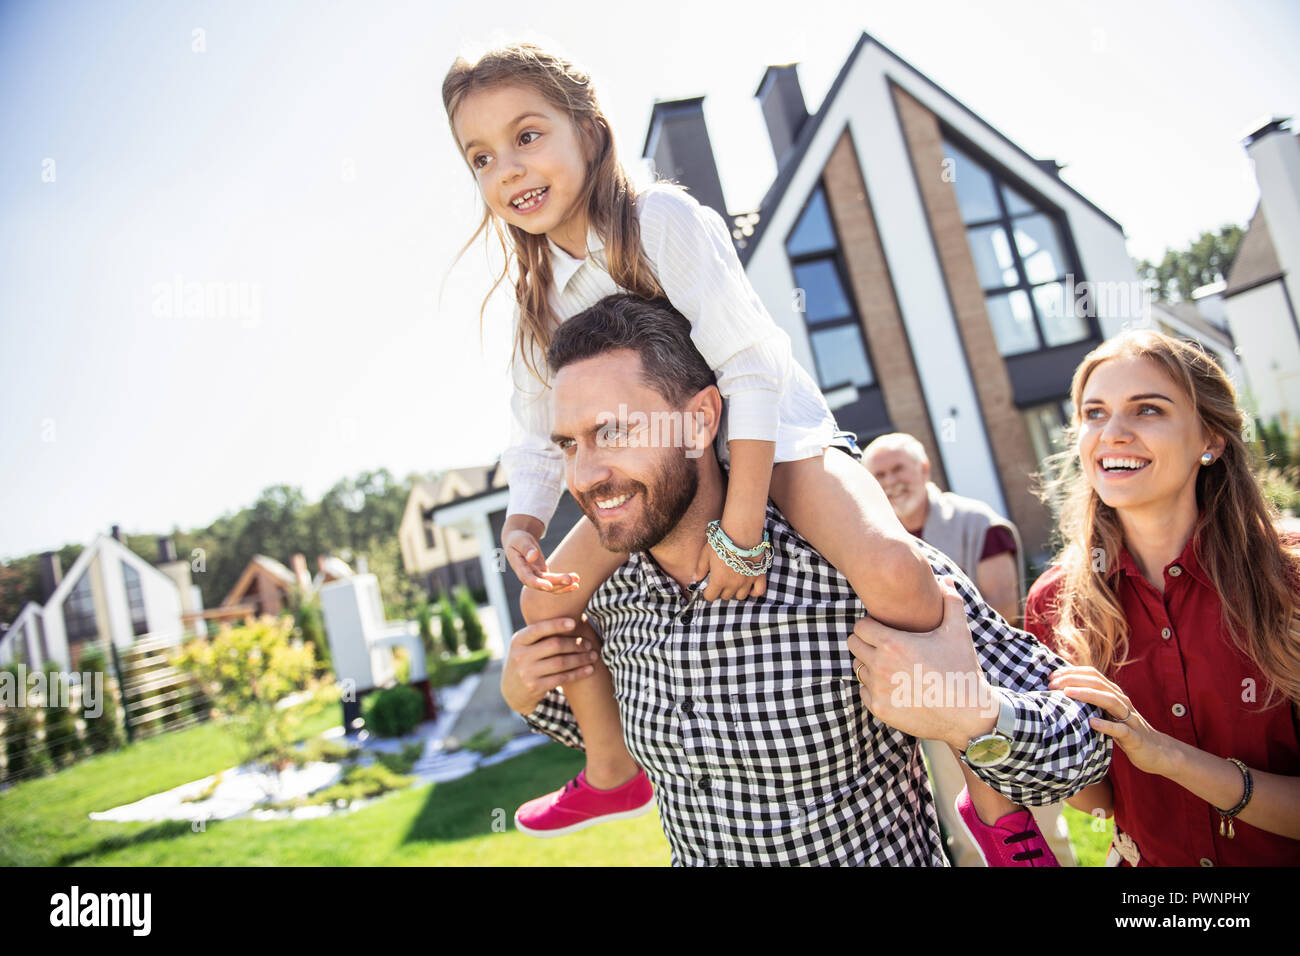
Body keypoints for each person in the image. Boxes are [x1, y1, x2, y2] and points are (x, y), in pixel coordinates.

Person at [441, 42, 985, 838]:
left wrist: (742, 527)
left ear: (589, 134)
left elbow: (752, 368)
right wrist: (525, 523)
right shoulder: (537, 297)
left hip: (770, 434)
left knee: (894, 573)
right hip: (663, 457)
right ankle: (612, 768)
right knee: (540, 601)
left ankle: (994, 802)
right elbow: (533, 438)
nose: (509, 171)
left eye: (528, 137)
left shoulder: (659, 219)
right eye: (481, 157)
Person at [500, 293, 1111, 864]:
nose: (584, 474)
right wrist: (529, 696)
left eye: (613, 432)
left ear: (701, 420)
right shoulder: (606, 595)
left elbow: (1086, 748)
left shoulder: (845, 566)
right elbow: (648, 741)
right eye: (568, 445)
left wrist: (974, 716)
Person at [1024, 329, 1300, 866]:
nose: (1113, 434)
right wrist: (1001, 729)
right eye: (1095, 413)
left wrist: (1169, 756)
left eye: (1147, 410)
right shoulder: (1055, 603)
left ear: (1210, 440)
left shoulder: (1289, 576)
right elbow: (1101, 804)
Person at [863, 434, 1077, 866]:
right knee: (965, 836)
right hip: (926, 707)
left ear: (924, 470)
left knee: (1034, 827)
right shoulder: (870, 541)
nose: (890, 482)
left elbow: (1002, 609)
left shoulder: (977, 523)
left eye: (898, 469)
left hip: (998, 699)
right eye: (879, 475)